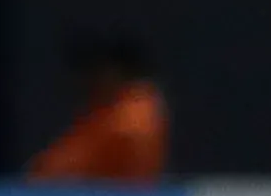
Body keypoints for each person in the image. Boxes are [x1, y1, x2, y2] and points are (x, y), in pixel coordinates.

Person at [28, 32, 169, 182]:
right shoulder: (106, 108)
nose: (89, 80)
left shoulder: (132, 115)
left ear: (116, 71)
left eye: (97, 70)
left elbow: (72, 167)